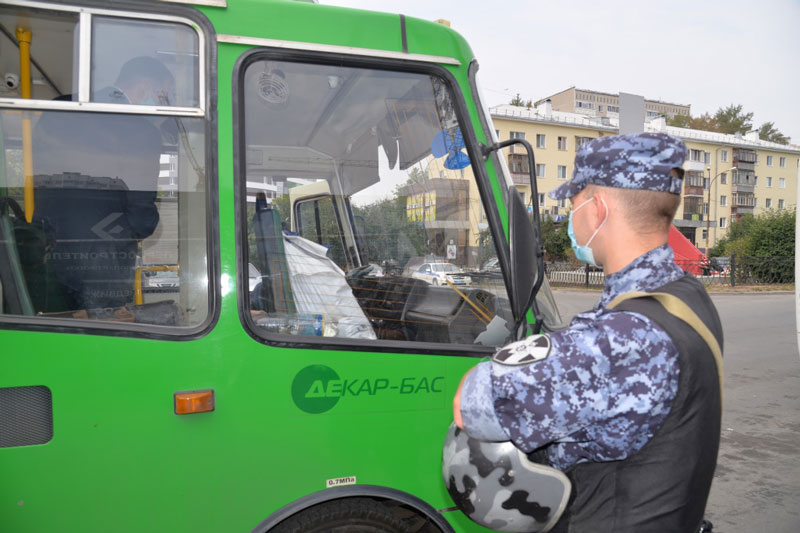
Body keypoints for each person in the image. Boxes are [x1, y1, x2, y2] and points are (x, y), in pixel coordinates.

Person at [452, 132, 723, 532]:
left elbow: (472, 403)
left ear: (597, 209)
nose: (570, 216)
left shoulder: (624, 337)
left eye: (573, 203)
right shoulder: (685, 296)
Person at [30, 57, 173, 312]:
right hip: (104, 263)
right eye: (163, 97)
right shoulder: (142, 132)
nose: (162, 105)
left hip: (48, 252)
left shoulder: (59, 108)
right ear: (145, 87)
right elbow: (141, 217)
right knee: (102, 338)